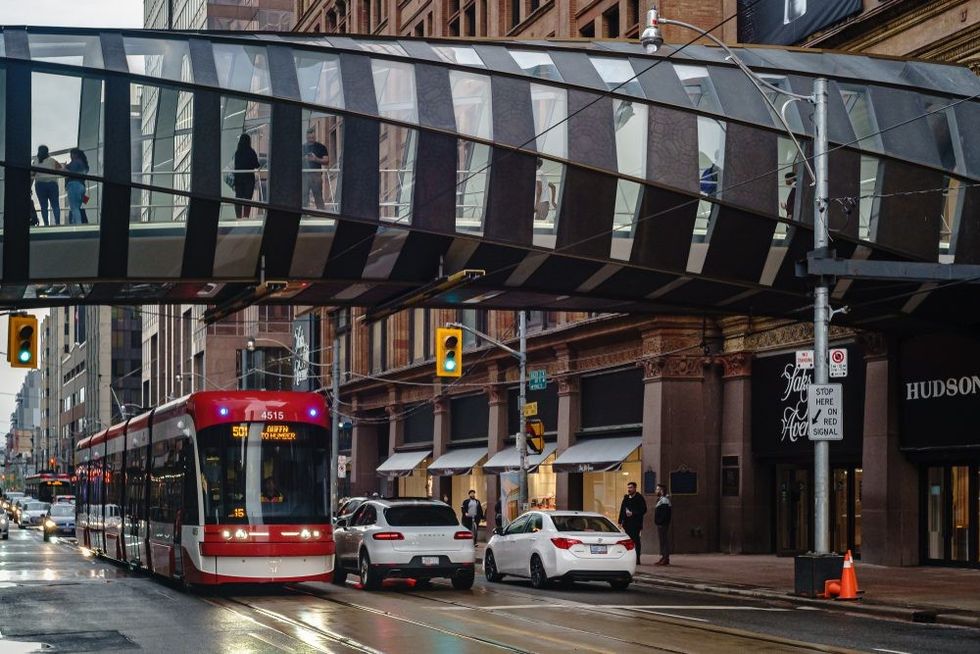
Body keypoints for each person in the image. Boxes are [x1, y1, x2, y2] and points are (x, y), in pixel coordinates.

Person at [617, 481, 647, 564]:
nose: (629, 489)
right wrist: (620, 522)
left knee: (636, 540)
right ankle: (629, 558)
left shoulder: (639, 497)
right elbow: (622, 510)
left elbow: (643, 510)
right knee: (628, 541)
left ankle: (637, 558)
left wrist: (633, 513)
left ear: (635, 488)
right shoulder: (626, 498)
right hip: (627, 524)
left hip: (636, 524)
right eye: (628, 488)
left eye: (630, 488)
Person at [33, 145, 63, 226]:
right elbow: (61, 170)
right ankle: (57, 223)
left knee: (43, 206)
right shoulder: (52, 160)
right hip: (52, 183)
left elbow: (32, 174)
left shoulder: (35, 161)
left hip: (40, 185)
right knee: (55, 205)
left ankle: (46, 224)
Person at [233, 133, 260, 218]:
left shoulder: (238, 152)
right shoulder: (251, 152)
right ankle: (245, 217)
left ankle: (238, 216)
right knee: (247, 199)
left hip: (238, 178)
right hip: (249, 178)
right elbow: (256, 165)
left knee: (238, 198)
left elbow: (236, 165)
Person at [302, 128, 329, 209]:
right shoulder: (302, 147)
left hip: (316, 174)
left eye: (312, 137)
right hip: (304, 174)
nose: (311, 138)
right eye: (309, 137)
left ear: (315, 136)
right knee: (303, 195)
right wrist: (304, 159)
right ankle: (303, 214)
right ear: (306, 136)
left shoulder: (321, 147)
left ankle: (321, 213)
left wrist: (316, 159)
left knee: (318, 195)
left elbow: (326, 161)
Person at [65, 148, 89, 225]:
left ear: (75, 155)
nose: (70, 156)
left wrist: (63, 169)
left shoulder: (75, 162)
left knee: (74, 208)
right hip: (81, 186)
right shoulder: (83, 163)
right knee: (76, 207)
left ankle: (77, 225)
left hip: (74, 185)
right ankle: (74, 224)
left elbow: (70, 172)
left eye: (71, 154)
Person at [654, 483, 672, 566]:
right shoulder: (661, 499)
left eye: (657, 489)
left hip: (663, 524)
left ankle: (665, 557)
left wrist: (660, 522)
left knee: (664, 541)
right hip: (661, 524)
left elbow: (664, 514)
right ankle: (664, 557)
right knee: (662, 541)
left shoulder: (664, 500)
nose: (656, 491)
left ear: (661, 491)